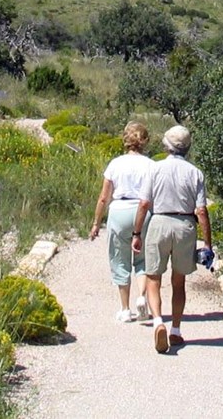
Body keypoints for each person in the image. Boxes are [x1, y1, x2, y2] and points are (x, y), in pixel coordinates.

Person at [133, 125, 212, 353]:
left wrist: (137, 233)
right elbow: (202, 211)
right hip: (185, 226)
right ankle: (175, 330)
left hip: (159, 222)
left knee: (153, 277)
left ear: (166, 145)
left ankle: (158, 322)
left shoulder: (155, 169)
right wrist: (207, 244)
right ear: (187, 147)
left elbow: (144, 203)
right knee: (179, 282)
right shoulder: (195, 173)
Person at [88, 121, 154, 323]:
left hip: (119, 211)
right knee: (143, 260)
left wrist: (96, 223)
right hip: (143, 212)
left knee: (120, 260)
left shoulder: (115, 164)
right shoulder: (151, 165)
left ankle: (125, 309)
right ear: (144, 141)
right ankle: (142, 297)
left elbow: (103, 197)